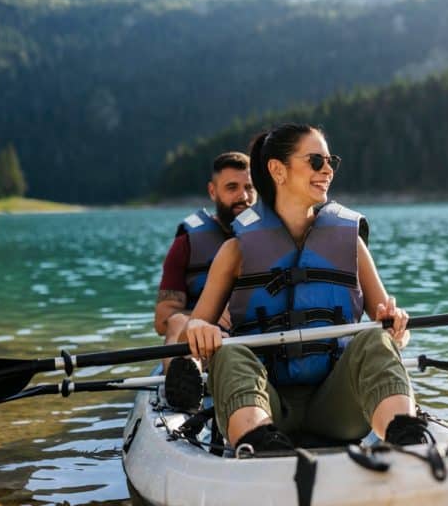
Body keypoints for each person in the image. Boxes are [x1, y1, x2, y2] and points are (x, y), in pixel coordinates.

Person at [184, 123, 427, 452]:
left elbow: (395, 337)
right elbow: (193, 330)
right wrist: (200, 330)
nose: (327, 170)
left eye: (331, 162)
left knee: (374, 338)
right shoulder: (235, 252)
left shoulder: (350, 244)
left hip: (336, 409)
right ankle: (259, 442)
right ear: (277, 170)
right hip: (265, 402)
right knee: (229, 352)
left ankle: (408, 439)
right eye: (315, 161)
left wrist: (396, 326)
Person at [154, 151, 257, 356]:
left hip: (254, 333)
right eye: (232, 187)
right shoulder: (186, 243)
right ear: (212, 191)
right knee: (177, 321)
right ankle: (182, 378)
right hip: (201, 341)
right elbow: (162, 319)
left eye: (249, 188)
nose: (243, 196)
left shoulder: (271, 238)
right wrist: (208, 320)